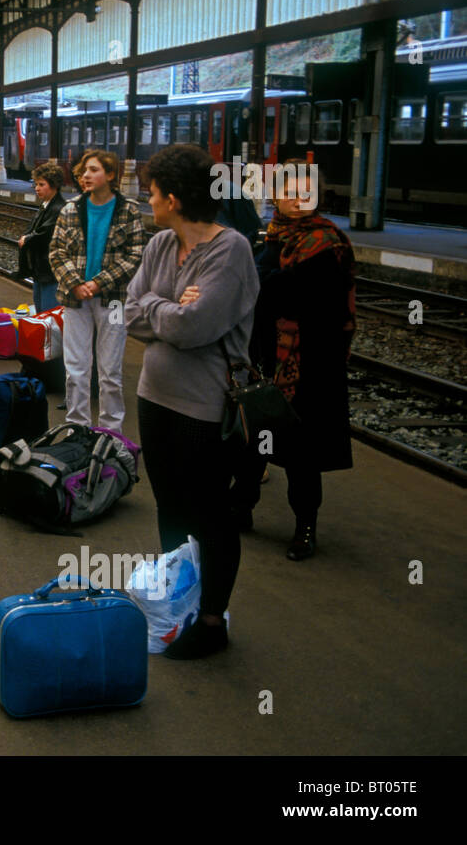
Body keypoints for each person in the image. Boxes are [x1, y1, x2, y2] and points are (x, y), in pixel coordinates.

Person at [124, 144, 260, 660]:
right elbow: (131, 311)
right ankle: (177, 601)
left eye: (153, 192)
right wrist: (166, 310)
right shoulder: (160, 243)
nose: (148, 199)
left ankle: (211, 619)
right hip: (155, 398)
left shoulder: (232, 251)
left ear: (174, 198)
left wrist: (159, 313)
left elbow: (195, 326)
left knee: (209, 515)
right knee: (170, 509)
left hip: (204, 408)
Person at [228, 169, 355, 561]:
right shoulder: (273, 236)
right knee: (253, 442)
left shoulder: (326, 243)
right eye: (289, 192)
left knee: (303, 454)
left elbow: (280, 293)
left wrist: (264, 282)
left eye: (306, 193)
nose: (297, 200)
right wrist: (266, 284)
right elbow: (262, 289)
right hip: (266, 359)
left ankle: (305, 528)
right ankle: (242, 510)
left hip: (311, 367)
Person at [47, 149, 146, 432]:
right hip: (74, 299)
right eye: (83, 171)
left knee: (110, 371)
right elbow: (56, 252)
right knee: (76, 368)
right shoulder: (70, 209)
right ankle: (77, 427)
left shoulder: (128, 210)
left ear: (111, 175)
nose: (86, 176)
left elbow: (135, 255)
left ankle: (110, 431)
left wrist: (98, 282)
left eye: (93, 170)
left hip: (113, 301)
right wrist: (75, 283)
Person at [17, 163, 68, 312]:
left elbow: (44, 234)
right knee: (41, 312)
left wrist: (26, 239)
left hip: (50, 272)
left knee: (49, 314)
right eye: (36, 184)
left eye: (41, 184)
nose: (36, 188)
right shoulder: (47, 205)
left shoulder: (58, 208)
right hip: (41, 271)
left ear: (54, 185)